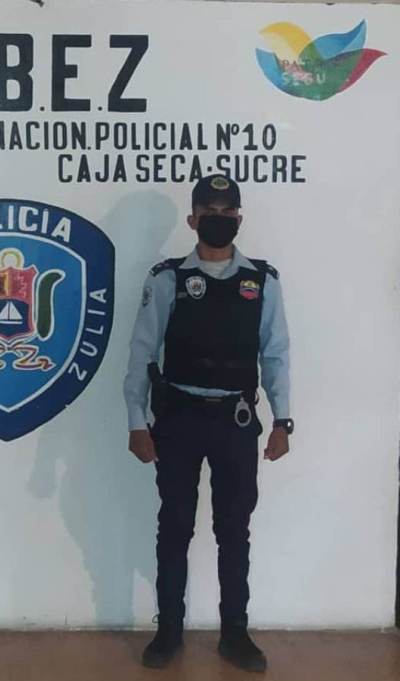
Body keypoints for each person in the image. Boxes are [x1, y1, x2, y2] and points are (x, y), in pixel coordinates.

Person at [124, 175, 293, 673]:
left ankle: (235, 634)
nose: (218, 219)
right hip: (177, 419)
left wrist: (283, 420)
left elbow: (276, 354)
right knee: (174, 527)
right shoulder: (167, 279)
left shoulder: (262, 282)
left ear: (238, 218)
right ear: (192, 219)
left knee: (234, 530)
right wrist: (136, 421)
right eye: (208, 211)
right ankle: (168, 631)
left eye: (226, 212)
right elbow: (141, 353)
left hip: (235, 422)